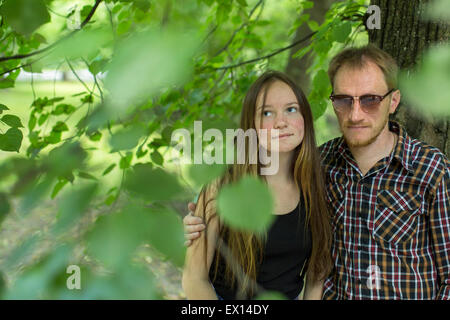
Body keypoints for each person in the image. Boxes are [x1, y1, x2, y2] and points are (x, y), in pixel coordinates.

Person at [184, 44, 450, 300]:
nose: (355, 114)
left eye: (370, 100)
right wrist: (195, 222)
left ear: (393, 102)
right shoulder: (322, 166)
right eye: (344, 100)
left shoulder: (431, 171)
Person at [182, 71, 333, 300]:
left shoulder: (316, 186)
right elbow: (194, 279)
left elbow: (317, 274)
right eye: (267, 113)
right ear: (251, 125)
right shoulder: (223, 186)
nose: (281, 122)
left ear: (305, 117)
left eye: (291, 109)